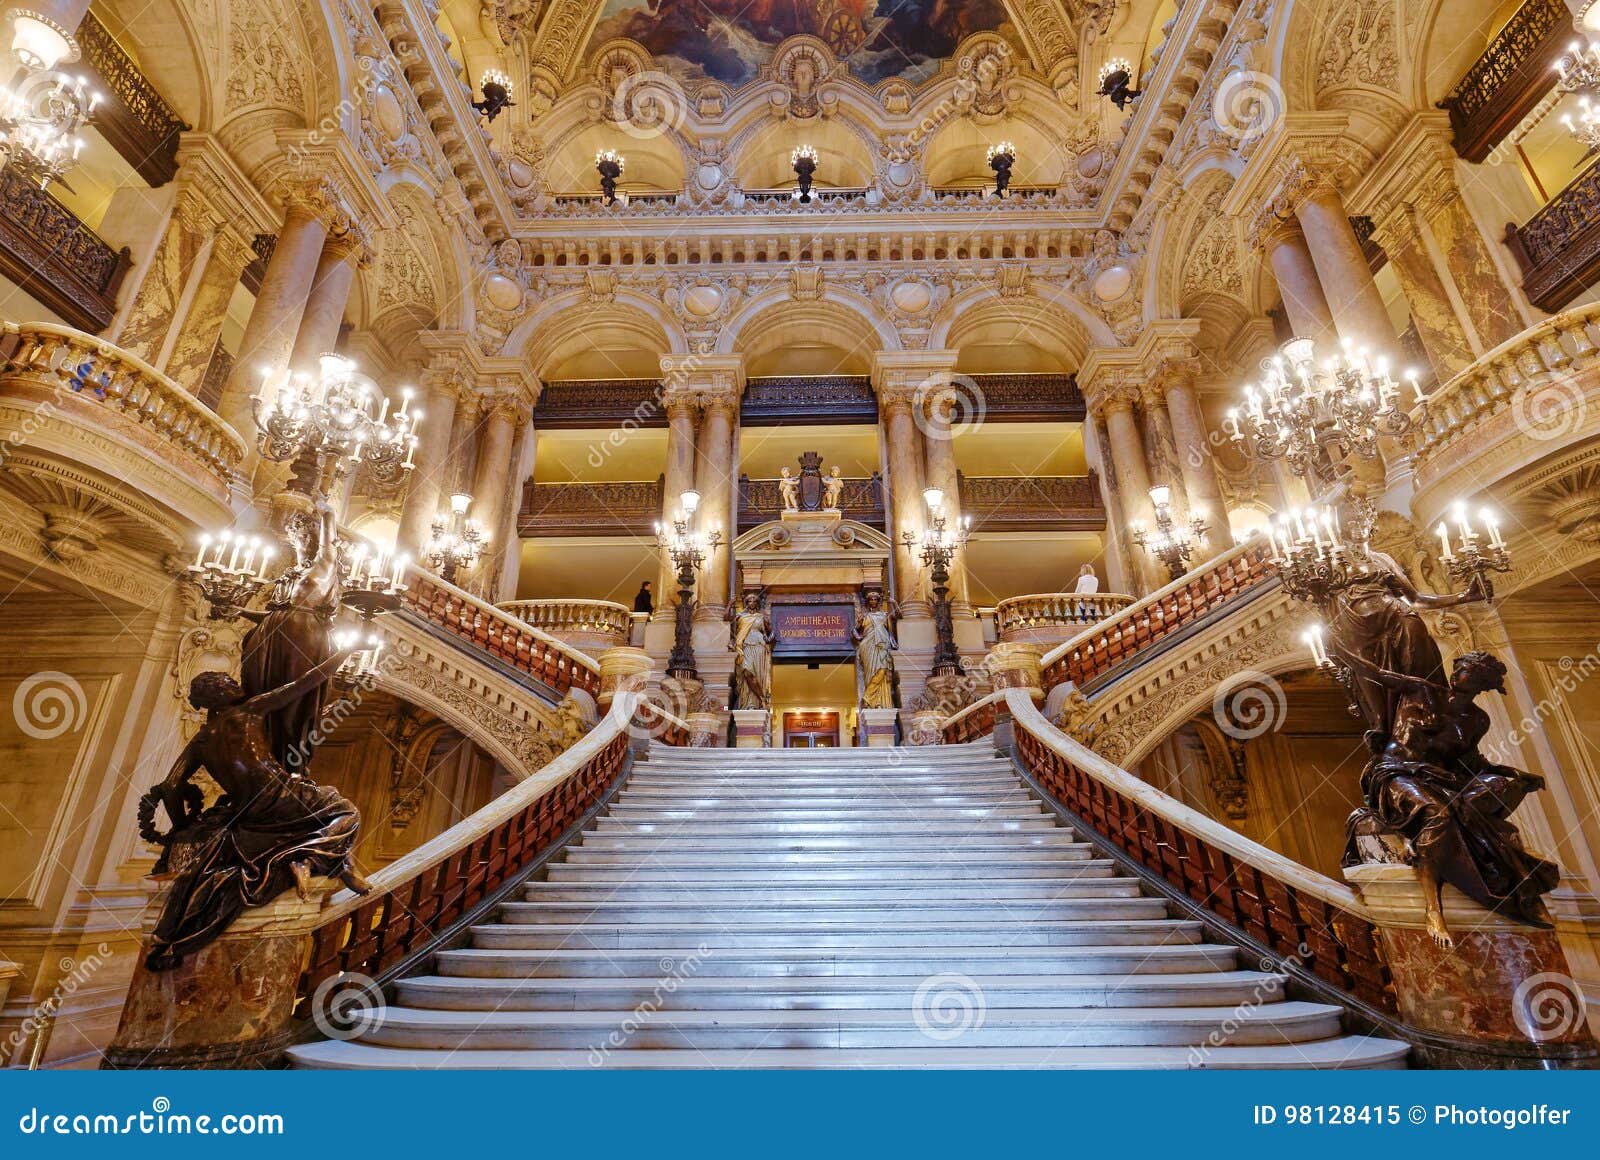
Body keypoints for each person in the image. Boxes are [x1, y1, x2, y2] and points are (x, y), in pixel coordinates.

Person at [142, 647, 371, 970]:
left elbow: (170, 786)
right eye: (226, 682)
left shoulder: (202, 739)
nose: (234, 683)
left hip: (248, 812)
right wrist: (348, 649)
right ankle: (309, 859)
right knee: (346, 811)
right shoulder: (249, 711)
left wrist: (180, 826)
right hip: (282, 796)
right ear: (218, 695)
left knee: (322, 809)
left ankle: (326, 861)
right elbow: (304, 683)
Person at [1342, 650, 1558, 949]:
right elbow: (1377, 674)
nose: (1457, 670)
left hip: (1439, 778)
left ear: (1482, 681)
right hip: (1394, 773)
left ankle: (1517, 887)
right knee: (1437, 813)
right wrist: (1339, 647)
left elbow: (1472, 762)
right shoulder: (1423, 690)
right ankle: (1433, 909)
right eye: (1458, 666)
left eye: (1467, 668)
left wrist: (1513, 773)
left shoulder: (1477, 720)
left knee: (1495, 789)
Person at [238, 500, 345, 770]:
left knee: (293, 698)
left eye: (309, 536)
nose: (303, 541)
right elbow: (275, 614)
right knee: (263, 695)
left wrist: (328, 515)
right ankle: (265, 754)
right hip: (268, 640)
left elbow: (329, 550)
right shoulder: (289, 576)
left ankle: (289, 762)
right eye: (298, 536)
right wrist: (236, 610)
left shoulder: (323, 568)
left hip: (303, 640)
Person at [854, 590, 899, 709]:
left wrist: (893, 603)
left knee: (882, 670)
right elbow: (854, 629)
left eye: (875, 599)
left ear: (878, 602)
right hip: (868, 646)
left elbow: (898, 617)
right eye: (871, 599)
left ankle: (867, 698)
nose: (873, 601)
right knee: (870, 673)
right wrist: (858, 637)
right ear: (868, 602)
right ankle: (875, 702)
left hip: (883, 645)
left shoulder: (884, 615)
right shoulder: (864, 616)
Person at [728, 591, 773, 710]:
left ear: (757, 603)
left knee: (757, 674)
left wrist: (768, 638)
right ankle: (761, 698)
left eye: (754, 600)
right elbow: (726, 618)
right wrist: (730, 604)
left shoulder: (761, 617)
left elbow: (771, 631)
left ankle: (757, 702)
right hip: (745, 645)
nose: (751, 602)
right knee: (747, 671)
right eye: (749, 600)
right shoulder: (741, 616)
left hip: (759, 646)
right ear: (746, 603)